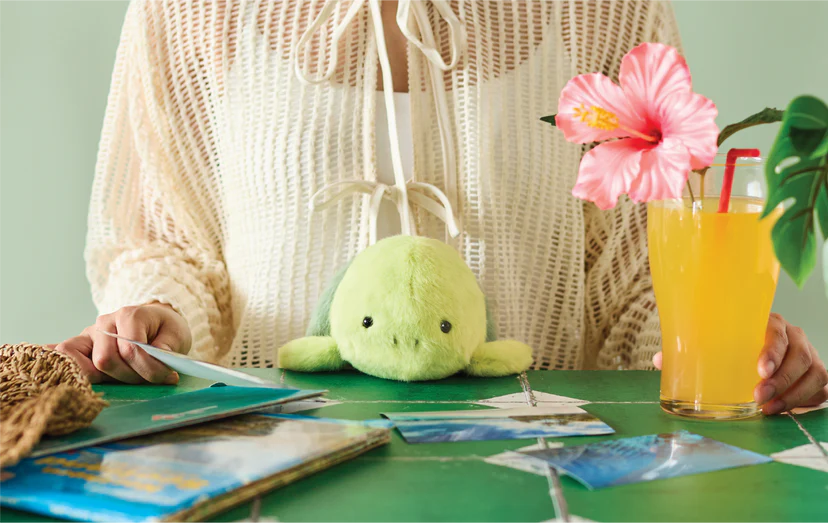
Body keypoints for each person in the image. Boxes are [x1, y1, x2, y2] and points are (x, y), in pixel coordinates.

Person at [54, 0, 827, 416]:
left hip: (539, 473)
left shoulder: (605, 9)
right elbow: (168, 239)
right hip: (266, 467)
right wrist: (156, 313)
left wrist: (729, 352)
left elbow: (638, 283)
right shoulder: (188, 11)